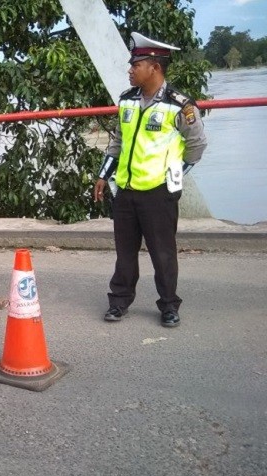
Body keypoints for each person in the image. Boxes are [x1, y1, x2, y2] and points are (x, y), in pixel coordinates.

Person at [93, 32, 207, 328]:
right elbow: (118, 141)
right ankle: (118, 302)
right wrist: (104, 175)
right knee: (125, 254)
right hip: (126, 191)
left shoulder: (179, 105)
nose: (130, 70)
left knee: (163, 254)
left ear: (154, 67)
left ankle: (169, 306)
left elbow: (197, 146)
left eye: (136, 65)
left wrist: (176, 176)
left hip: (159, 193)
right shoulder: (127, 101)